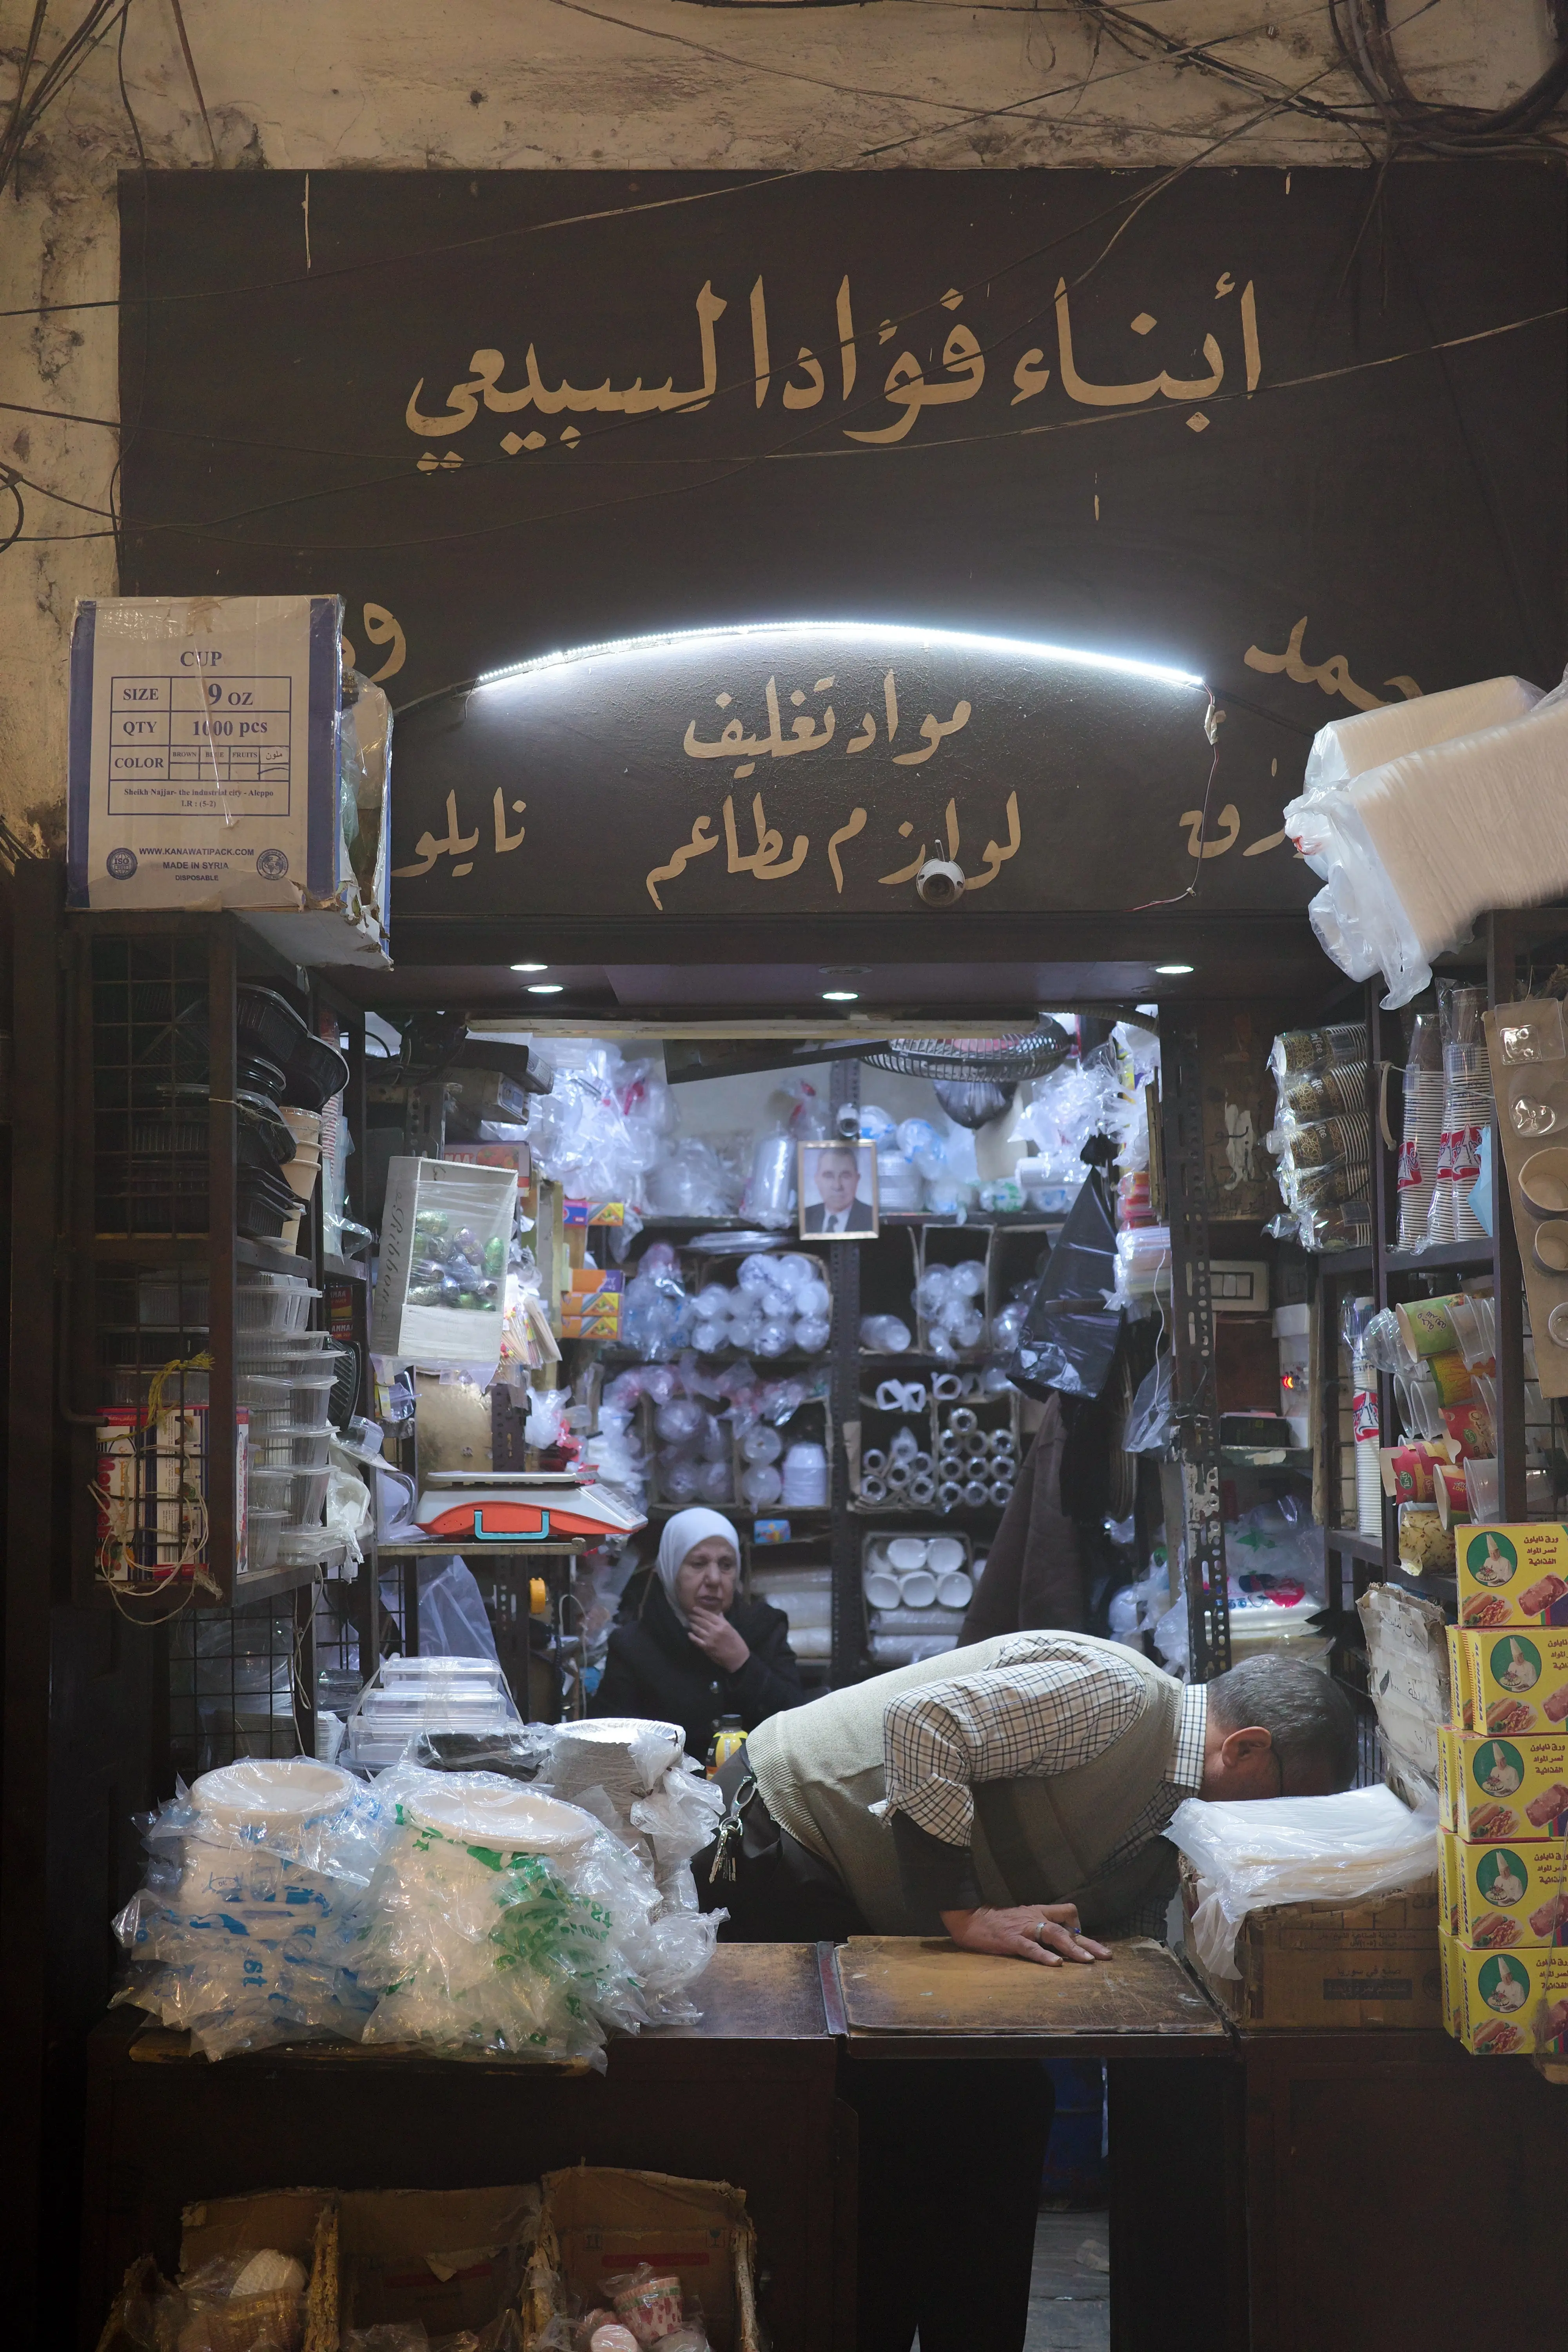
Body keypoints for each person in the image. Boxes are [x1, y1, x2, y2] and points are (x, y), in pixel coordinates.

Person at [695, 1635, 1358, 2352]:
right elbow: (922, 1723)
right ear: (1247, 1748)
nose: (1276, 1826)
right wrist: (965, 1913)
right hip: (782, 1839)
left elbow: (1120, 1922)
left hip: (869, 1896)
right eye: (1288, 1801)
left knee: (1003, 2107)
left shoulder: (1179, 1806)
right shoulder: (1122, 1698)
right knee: (893, 2124)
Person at [590, 1506, 806, 1758]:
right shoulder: (634, 1646)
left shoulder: (764, 1627)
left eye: (726, 1565)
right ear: (671, 1569)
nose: (714, 1579)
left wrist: (742, 1663)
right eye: (698, 1564)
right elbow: (609, 1748)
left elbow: (796, 1729)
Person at [803, 1143, 874, 1234]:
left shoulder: (872, 1217)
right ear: (817, 1180)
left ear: (857, 1179)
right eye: (829, 1176)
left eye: (845, 1176)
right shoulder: (806, 1216)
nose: (837, 1186)